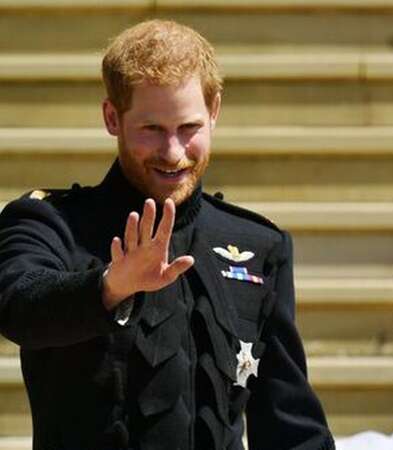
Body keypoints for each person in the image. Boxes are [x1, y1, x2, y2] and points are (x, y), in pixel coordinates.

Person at [0, 20, 334, 450]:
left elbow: (291, 426)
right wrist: (110, 287)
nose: (173, 153)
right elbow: (18, 307)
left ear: (214, 111)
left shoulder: (256, 245)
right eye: (152, 130)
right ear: (111, 118)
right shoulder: (50, 223)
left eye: (189, 128)